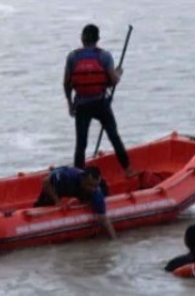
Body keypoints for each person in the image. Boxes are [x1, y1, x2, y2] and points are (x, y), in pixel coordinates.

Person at [65, 24, 137, 177]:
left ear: (82, 38)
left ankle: (79, 176)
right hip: (100, 104)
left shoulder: (73, 57)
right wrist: (118, 73)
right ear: (97, 39)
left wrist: (70, 104)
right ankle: (128, 169)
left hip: (81, 105)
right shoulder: (104, 56)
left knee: (81, 144)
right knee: (113, 135)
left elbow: (67, 83)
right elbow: (112, 80)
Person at [34, 166, 116, 239]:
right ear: (83, 179)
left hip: (78, 191)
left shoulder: (96, 191)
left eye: (96, 186)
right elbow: (45, 182)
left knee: (99, 195)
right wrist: (57, 201)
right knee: (41, 205)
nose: (93, 189)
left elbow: (103, 218)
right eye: (91, 186)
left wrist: (113, 240)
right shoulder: (67, 176)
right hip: (59, 187)